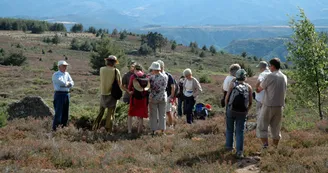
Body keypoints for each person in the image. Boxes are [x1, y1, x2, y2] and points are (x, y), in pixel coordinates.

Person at [256, 58, 287, 149]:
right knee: (276, 128)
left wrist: (257, 86)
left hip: (269, 105)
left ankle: (265, 146)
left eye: (270, 66)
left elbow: (259, 89)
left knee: (262, 126)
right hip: (280, 106)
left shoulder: (270, 76)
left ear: (272, 66)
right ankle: (274, 148)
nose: (269, 68)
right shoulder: (284, 77)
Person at [225, 69, 253, 159]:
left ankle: (229, 147)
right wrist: (246, 111)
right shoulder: (249, 87)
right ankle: (239, 152)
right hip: (242, 112)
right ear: (245, 77)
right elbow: (251, 102)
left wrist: (228, 107)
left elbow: (227, 98)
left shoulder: (232, 85)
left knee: (230, 129)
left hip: (231, 110)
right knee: (240, 131)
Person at [93, 55, 122, 133]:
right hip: (112, 94)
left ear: (107, 61)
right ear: (114, 63)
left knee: (101, 112)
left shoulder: (102, 69)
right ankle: (108, 130)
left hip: (103, 93)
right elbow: (119, 83)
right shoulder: (116, 71)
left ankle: (95, 127)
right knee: (110, 114)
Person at [52, 60, 74, 131]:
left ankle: (63, 127)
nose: (65, 67)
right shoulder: (56, 75)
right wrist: (68, 84)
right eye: (63, 66)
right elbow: (62, 83)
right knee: (58, 112)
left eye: (66, 66)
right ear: (59, 67)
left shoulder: (67, 74)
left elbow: (72, 83)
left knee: (65, 112)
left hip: (66, 94)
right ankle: (55, 128)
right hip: (59, 94)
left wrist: (68, 84)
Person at [127, 64, 149, 134]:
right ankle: (139, 132)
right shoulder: (146, 76)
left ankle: (129, 131)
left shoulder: (133, 76)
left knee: (130, 115)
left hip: (134, 98)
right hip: (143, 99)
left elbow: (130, 87)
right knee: (141, 115)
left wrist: (130, 91)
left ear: (135, 69)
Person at [148, 61, 168, 135]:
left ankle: (153, 130)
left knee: (153, 115)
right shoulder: (165, 76)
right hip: (162, 97)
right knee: (162, 115)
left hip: (153, 98)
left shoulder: (151, 78)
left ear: (153, 69)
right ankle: (163, 131)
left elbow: (149, 88)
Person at [157, 60, 175, 128]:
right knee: (158, 113)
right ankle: (159, 126)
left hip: (167, 97)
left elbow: (173, 87)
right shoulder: (155, 75)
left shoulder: (168, 75)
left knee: (168, 112)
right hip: (158, 96)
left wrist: (171, 97)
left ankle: (171, 125)